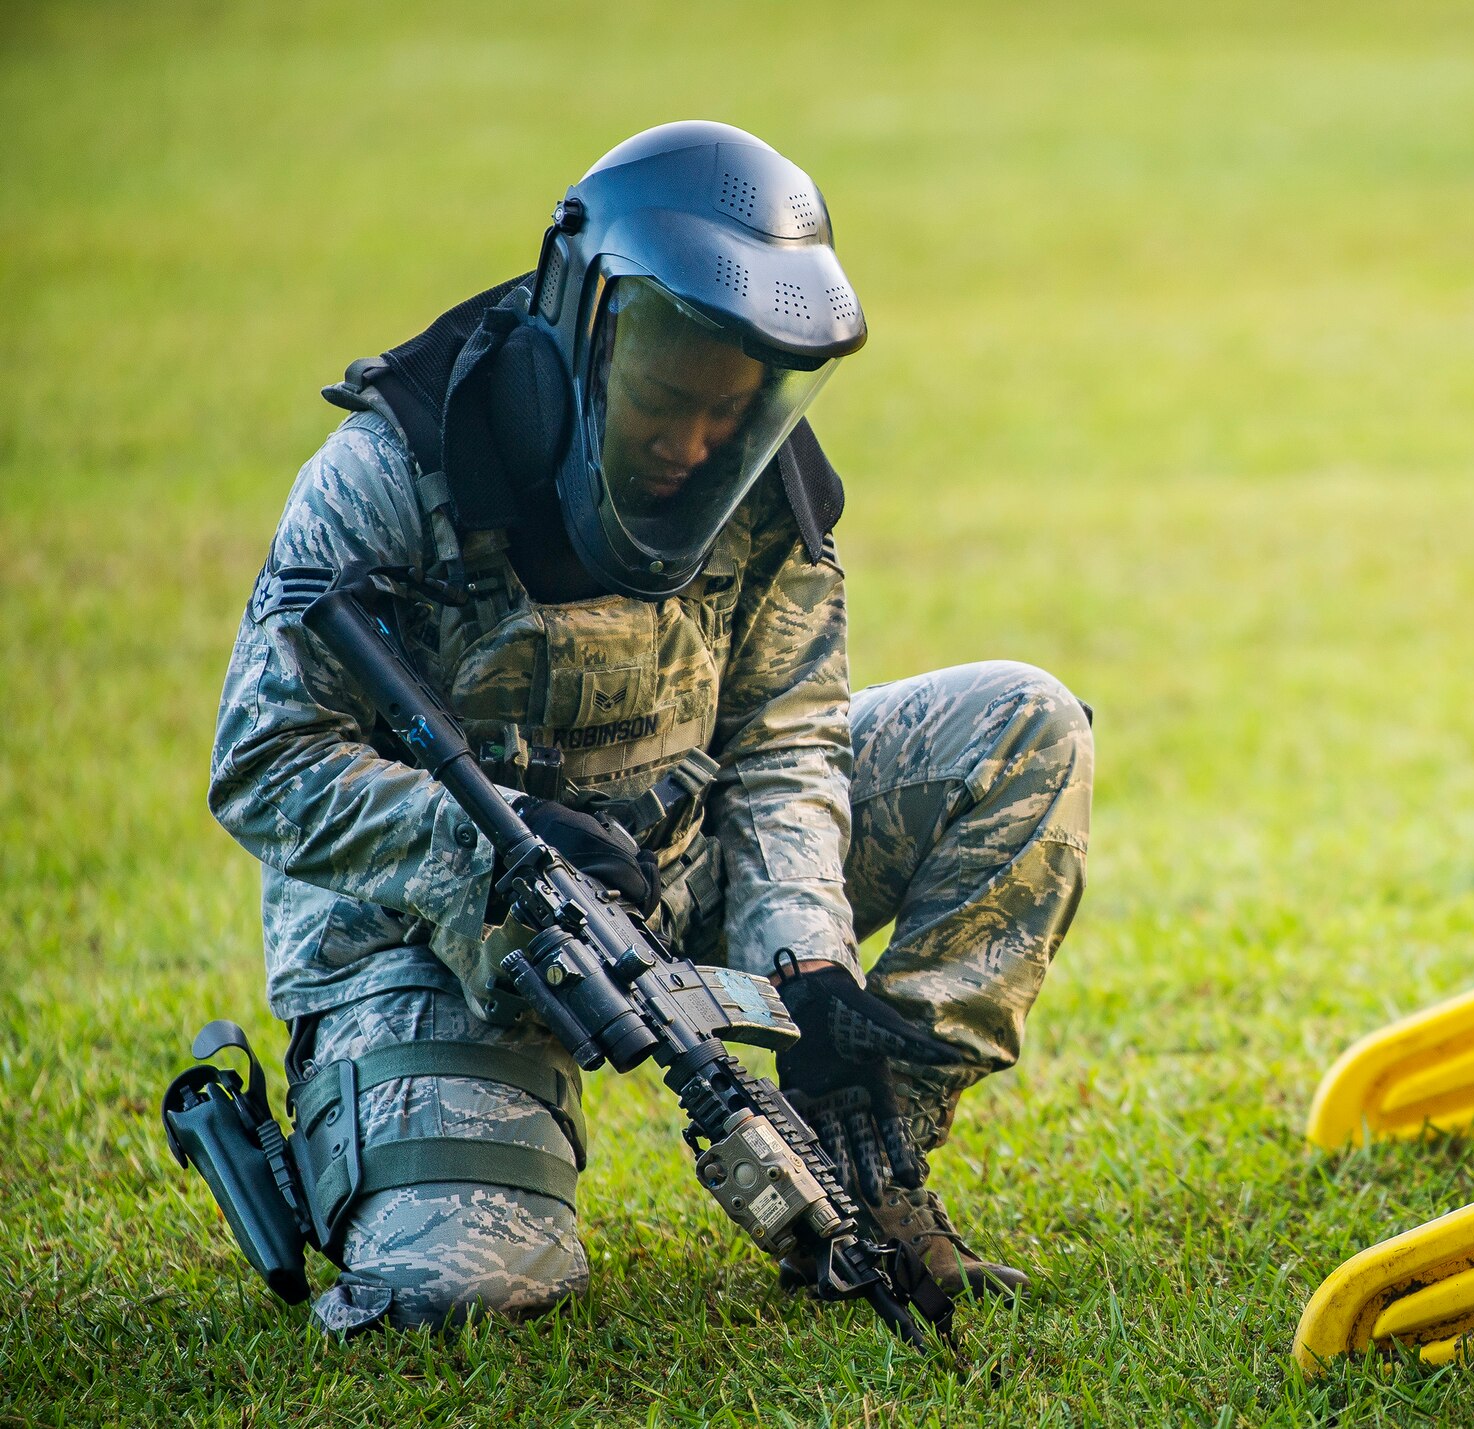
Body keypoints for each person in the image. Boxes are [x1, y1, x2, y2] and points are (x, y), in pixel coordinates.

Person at [208, 121, 1093, 1335]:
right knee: (465, 1293)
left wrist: (807, 958)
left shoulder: (764, 484)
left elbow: (787, 744)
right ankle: (349, 1134)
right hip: (434, 933)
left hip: (675, 865)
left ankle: (860, 1164)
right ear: (587, 339)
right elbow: (263, 761)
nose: (691, 448)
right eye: (665, 408)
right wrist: (492, 846)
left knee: (1021, 726)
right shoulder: (391, 470)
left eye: (727, 417)